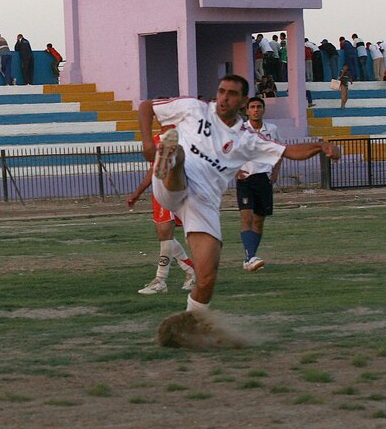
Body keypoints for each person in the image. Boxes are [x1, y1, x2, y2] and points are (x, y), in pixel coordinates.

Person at [139, 74, 340, 319]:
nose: (224, 97)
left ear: (243, 101)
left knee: (207, 277)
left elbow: (287, 151)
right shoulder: (194, 108)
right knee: (180, 155)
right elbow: (146, 106)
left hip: (203, 203)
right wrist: (148, 143)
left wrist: (321, 146)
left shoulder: (247, 138)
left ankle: (191, 323)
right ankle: (170, 157)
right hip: (172, 184)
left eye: (232, 94)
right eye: (222, 91)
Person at [126, 130, 196, 296]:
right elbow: (153, 169)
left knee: (166, 233)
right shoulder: (158, 138)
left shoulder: (187, 134)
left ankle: (160, 280)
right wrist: (137, 193)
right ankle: (191, 270)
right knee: (164, 234)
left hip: (174, 189)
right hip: (159, 192)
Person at [235, 96, 281, 272]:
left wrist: (275, 172)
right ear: (247, 111)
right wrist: (236, 170)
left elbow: (278, 151)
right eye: (252, 107)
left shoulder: (272, 129)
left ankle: (250, 257)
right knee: (246, 217)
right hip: (245, 179)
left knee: (259, 221)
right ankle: (250, 257)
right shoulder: (240, 130)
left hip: (264, 178)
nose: (256, 110)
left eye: (259, 106)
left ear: (263, 109)